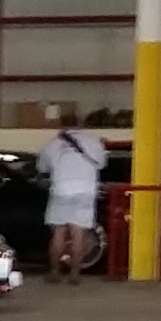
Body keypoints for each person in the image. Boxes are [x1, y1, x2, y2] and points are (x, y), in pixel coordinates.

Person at [39, 110, 106, 282]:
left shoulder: (53, 144)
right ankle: (75, 274)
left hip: (61, 191)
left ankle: (54, 272)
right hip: (85, 192)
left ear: (61, 124)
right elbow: (101, 164)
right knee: (79, 235)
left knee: (58, 234)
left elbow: (42, 168)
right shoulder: (92, 142)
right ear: (80, 123)